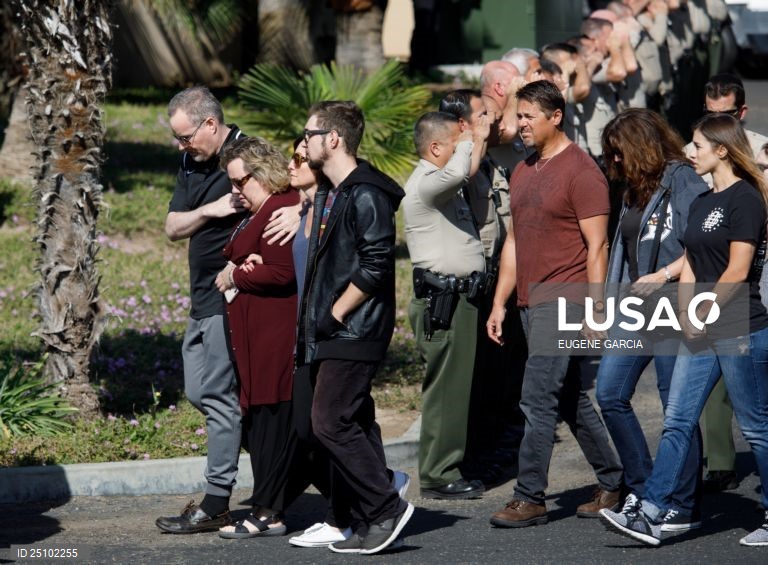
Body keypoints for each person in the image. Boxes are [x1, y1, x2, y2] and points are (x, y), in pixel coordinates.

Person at [599, 112, 768, 548]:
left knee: (755, 427)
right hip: (701, 324)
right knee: (676, 419)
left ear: (721, 150)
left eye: (697, 146)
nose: (689, 153)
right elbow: (691, 262)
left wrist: (703, 311)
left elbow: (737, 271)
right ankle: (654, 510)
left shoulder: (745, 199)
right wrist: (689, 312)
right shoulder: (704, 201)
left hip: (737, 324)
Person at [486, 80, 623, 528]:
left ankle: (530, 497)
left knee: (536, 398)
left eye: (528, 116)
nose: (519, 124)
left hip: (566, 298)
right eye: (518, 115)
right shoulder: (524, 169)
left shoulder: (582, 172)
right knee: (568, 399)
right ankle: (613, 480)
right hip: (529, 299)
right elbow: (514, 241)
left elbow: (597, 247)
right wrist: (500, 302)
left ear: (556, 116)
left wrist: (598, 310)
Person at [296, 100, 412, 555]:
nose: (303, 142)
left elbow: (376, 264)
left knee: (329, 421)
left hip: (355, 329)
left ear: (334, 139)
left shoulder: (366, 194)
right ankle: (365, 519)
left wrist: (336, 312)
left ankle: (385, 506)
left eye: (309, 134)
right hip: (337, 328)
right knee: (356, 421)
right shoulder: (338, 191)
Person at [595, 108, 708, 531]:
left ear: (641, 146)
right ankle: (644, 492)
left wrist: (664, 275)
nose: (615, 162)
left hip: (672, 303)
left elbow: (702, 244)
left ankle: (682, 502)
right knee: (608, 393)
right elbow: (623, 254)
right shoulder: (633, 191)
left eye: (619, 153)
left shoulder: (682, 179)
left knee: (673, 405)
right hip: (634, 307)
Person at [155, 86, 245, 534]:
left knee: (219, 399)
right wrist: (214, 208)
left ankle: (216, 501)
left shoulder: (246, 156)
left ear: (211, 124)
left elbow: (275, 215)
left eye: (186, 136)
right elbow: (173, 226)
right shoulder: (192, 161)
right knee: (200, 392)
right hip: (200, 297)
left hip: (231, 298)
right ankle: (258, 446)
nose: (181, 146)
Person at [211, 137, 300, 539]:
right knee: (260, 422)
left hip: (273, 336)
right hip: (254, 335)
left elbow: (282, 272)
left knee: (270, 424)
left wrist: (238, 273)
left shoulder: (281, 208)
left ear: (262, 174)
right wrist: (242, 263)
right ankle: (268, 508)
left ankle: (268, 509)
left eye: (239, 181)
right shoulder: (263, 209)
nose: (234, 190)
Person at [402, 109, 488, 499]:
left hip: (459, 298)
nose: (464, 154)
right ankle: (438, 473)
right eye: (455, 146)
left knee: (456, 388)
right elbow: (458, 172)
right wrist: (470, 136)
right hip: (444, 300)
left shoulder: (441, 185)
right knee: (445, 391)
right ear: (436, 148)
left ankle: (447, 465)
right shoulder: (426, 183)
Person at [694, 73, 768, 493]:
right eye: (709, 113)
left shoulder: (758, 151)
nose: (716, 120)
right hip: (703, 264)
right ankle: (719, 461)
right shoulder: (692, 150)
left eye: (724, 115)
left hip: (748, 265)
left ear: (741, 113)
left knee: (751, 375)